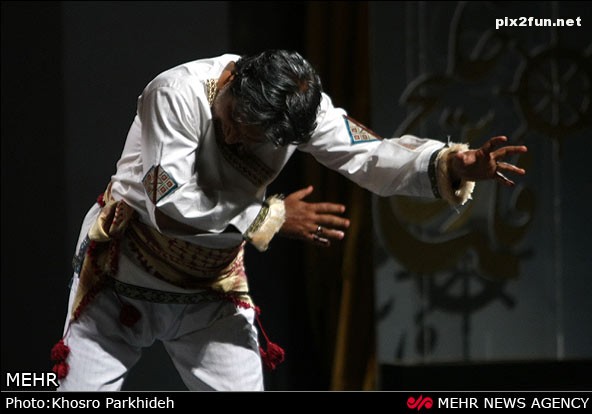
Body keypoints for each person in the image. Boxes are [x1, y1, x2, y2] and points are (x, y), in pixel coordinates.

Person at [51, 49, 527, 391]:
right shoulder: (175, 93)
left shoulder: (304, 111)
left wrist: (450, 162)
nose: (232, 136)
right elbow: (168, 204)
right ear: (234, 78)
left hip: (210, 288)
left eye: (250, 135)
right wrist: (271, 215)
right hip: (125, 272)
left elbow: (369, 155)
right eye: (232, 118)